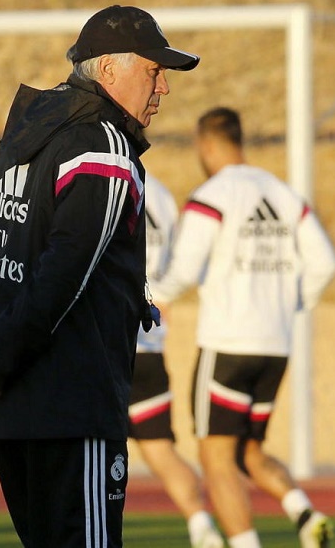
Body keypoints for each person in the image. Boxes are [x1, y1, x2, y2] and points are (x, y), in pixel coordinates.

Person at [0, 5, 199, 548]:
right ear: (108, 71)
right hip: (72, 405)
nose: (164, 88)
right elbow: (66, 273)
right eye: (153, 70)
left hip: (12, 408)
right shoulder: (105, 145)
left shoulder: (24, 138)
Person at [151, 107, 335, 548]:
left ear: (207, 144)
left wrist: (144, 292)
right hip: (276, 344)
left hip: (228, 343)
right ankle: (302, 512)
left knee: (215, 457)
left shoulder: (212, 196)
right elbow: (324, 263)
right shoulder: (283, 194)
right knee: (247, 450)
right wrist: (291, 304)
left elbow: (182, 273)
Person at [131, 172, 224, 548]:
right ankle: (202, 526)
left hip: (102, 346)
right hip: (149, 347)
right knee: (162, 452)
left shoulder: (98, 178)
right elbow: (176, 265)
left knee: (82, 451)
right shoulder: (164, 197)